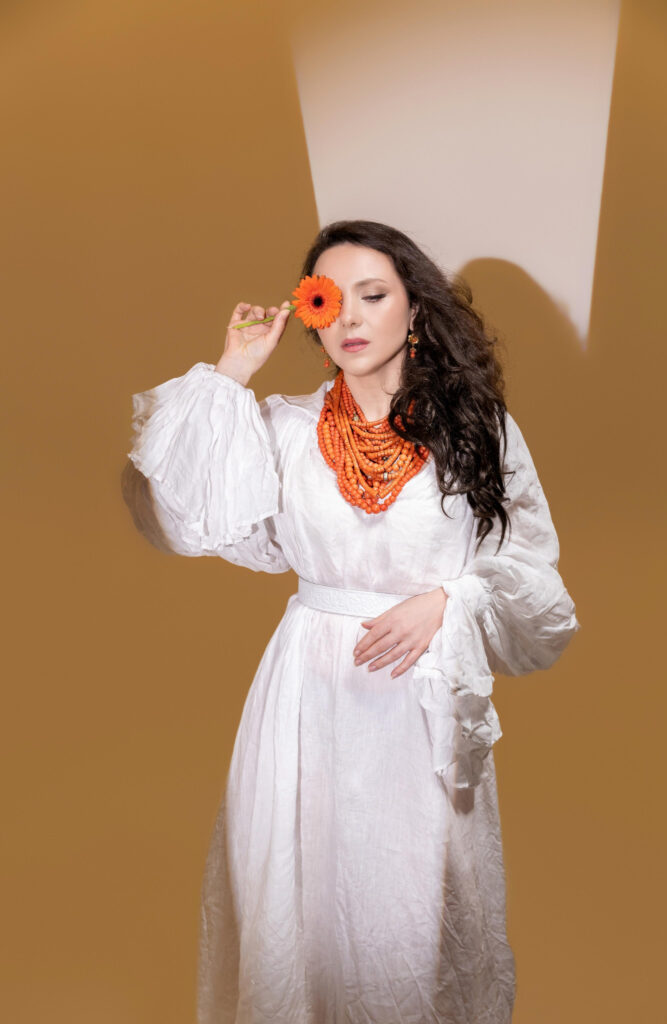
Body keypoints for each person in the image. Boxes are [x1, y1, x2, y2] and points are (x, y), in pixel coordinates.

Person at [123, 219, 580, 1024]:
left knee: (411, 917)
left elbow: (532, 573)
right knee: (294, 907)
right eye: (329, 301)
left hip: (420, 696)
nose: (351, 319)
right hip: (307, 693)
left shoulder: (476, 431)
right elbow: (179, 515)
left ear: (415, 309)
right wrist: (232, 373)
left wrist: (448, 601)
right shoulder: (284, 429)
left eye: (374, 296)